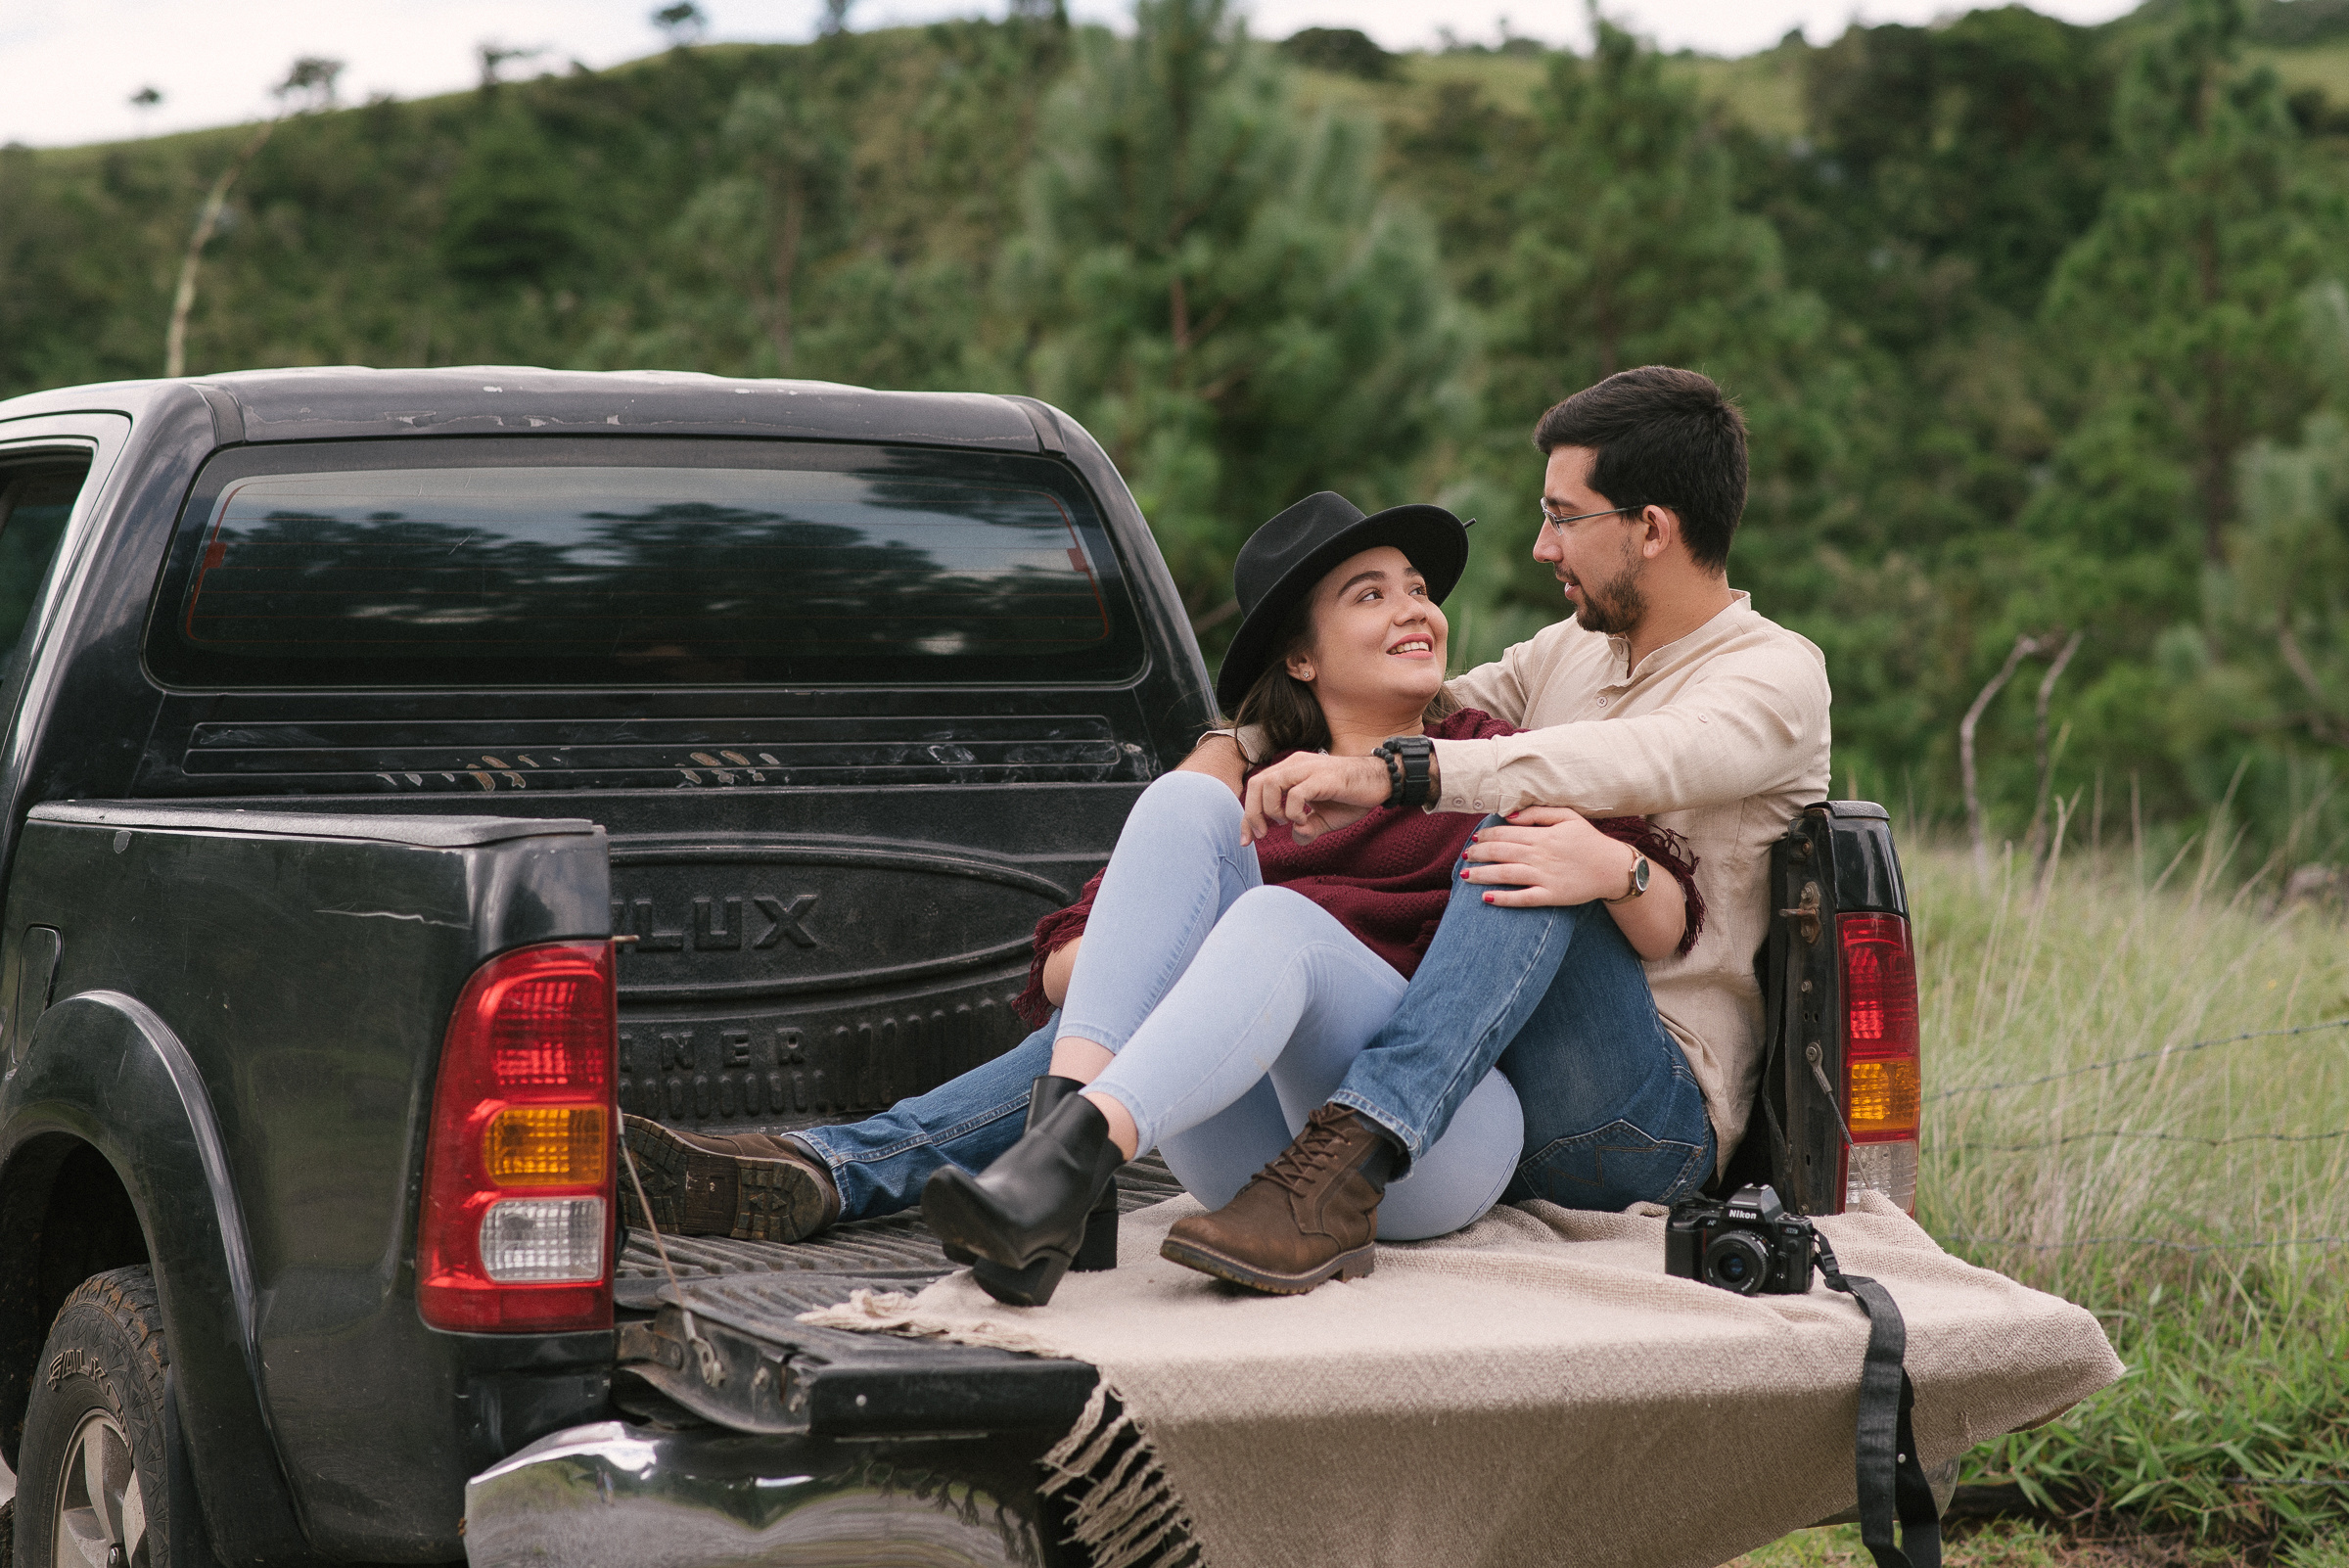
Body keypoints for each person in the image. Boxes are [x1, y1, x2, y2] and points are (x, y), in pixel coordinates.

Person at [623, 490, 1698, 1305]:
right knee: (1187, 816)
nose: (1416, 609)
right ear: (1301, 655)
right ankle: (1029, 1176)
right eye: (1371, 594)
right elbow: (1068, 969)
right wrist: (1194, 974)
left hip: (1429, 1147)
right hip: (1245, 1159)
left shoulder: (1490, 759)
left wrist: (1227, 958)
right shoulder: (1244, 794)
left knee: (1277, 924)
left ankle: (963, 1162)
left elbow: (1641, 877)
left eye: (1418, 588)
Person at [1156, 364, 1832, 1296]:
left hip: (1644, 1120)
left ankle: (1342, 1167)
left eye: (1562, 516)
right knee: (1509, 833)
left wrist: (1396, 776)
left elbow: (1629, 760)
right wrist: (1233, 747)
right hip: (1489, 1097)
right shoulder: (1571, 650)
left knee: (1532, 829)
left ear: (1650, 529)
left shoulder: (1775, 679)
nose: (1539, 547)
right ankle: (969, 1155)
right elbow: (1407, 703)